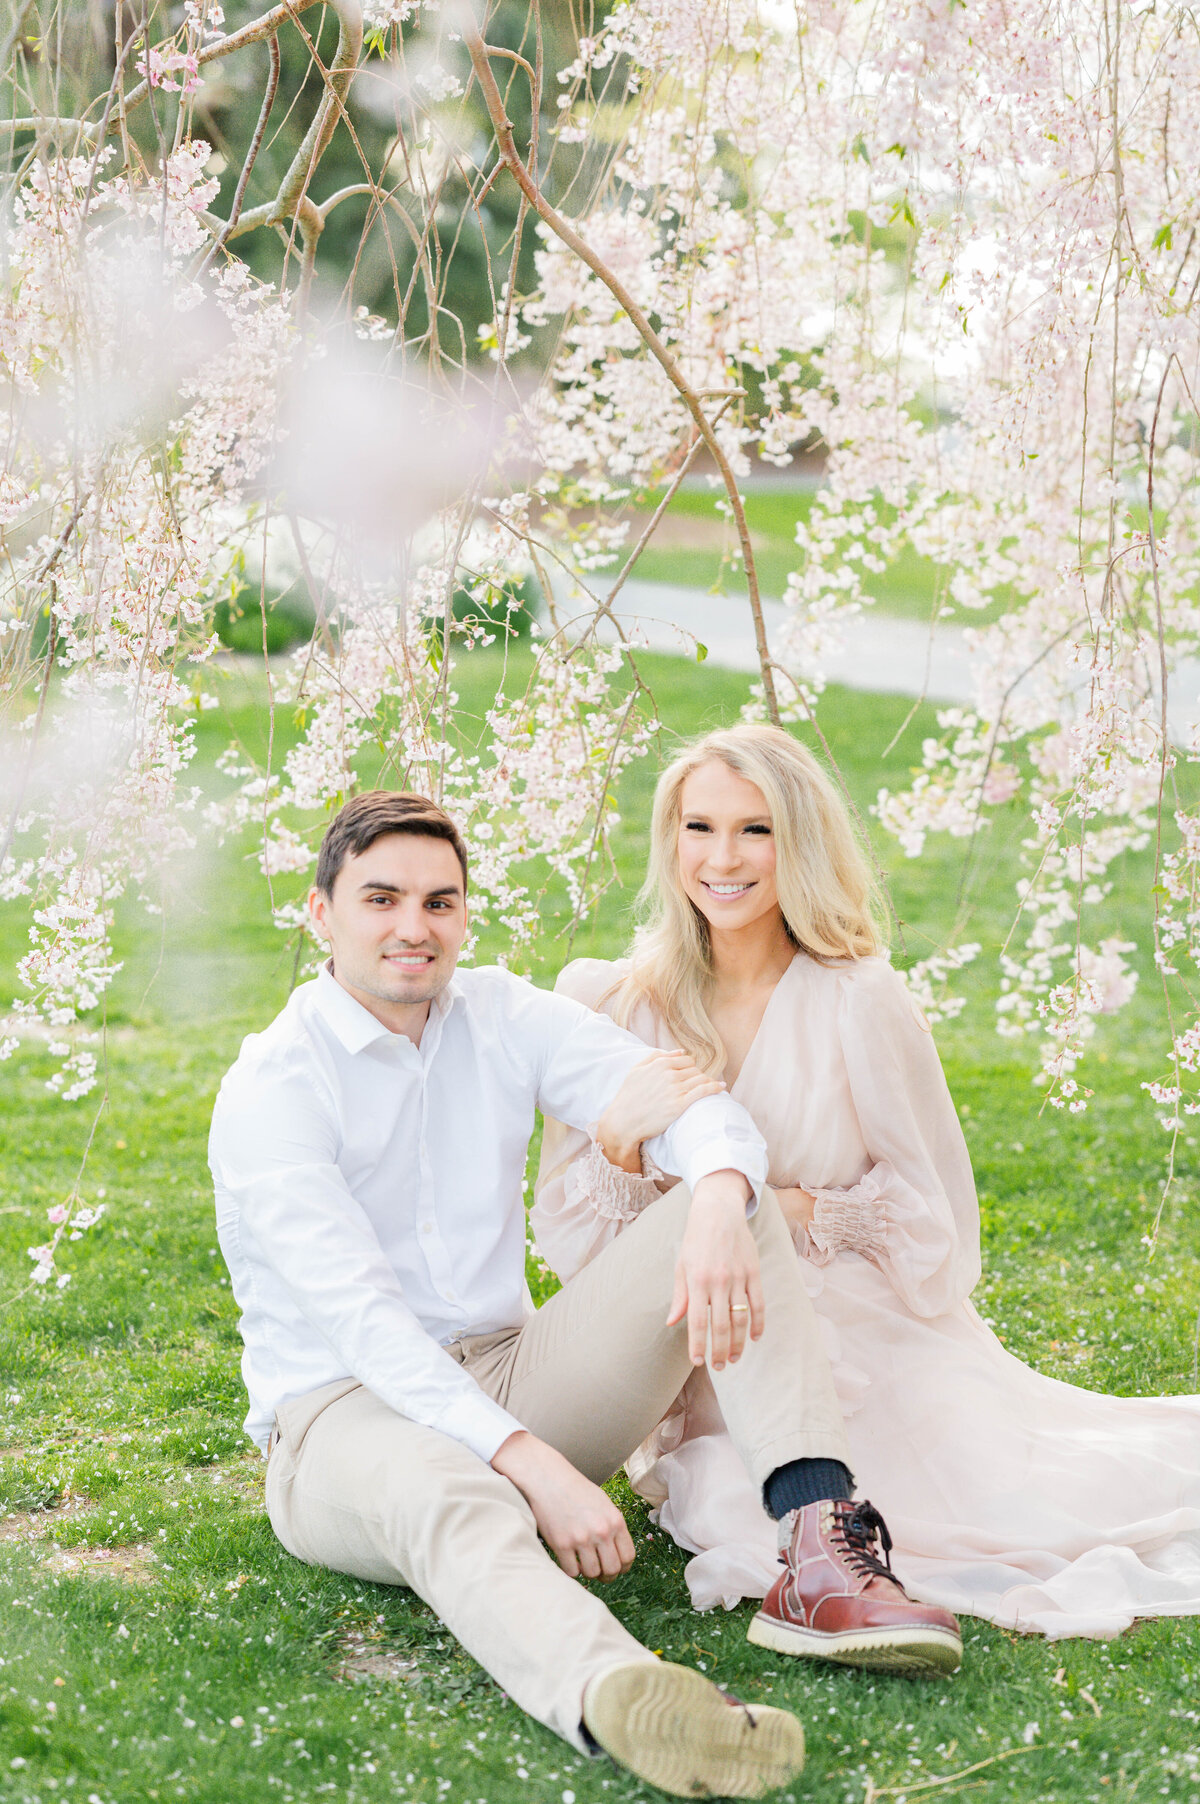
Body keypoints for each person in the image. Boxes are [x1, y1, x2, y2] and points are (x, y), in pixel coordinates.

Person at [208, 790, 962, 1804]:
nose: (412, 927)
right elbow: (363, 1324)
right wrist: (532, 1466)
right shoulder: (276, 1086)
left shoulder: (498, 1014)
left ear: (463, 914)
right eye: (380, 899)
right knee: (453, 1491)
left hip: (513, 1368)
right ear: (321, 913)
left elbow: (697, 1107)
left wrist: (715, 1197)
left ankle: (818, 1546)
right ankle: (617, 1692)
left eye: (439, 902)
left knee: (729, 1203)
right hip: (344, 1415)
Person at [533, 723, 1200, 1641]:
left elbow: (931, 1218)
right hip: (690, 1339)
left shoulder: (857, 998)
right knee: (730, 1502)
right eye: (700, 827)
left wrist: (778, 1212)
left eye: (757, 830)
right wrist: (617, 1146)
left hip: (852, 1332)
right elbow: (573, 1239)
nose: (722, 859)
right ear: (670, 838)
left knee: (987, 1509)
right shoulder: (609, 1002)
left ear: (800, 843)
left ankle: (834, 1534)